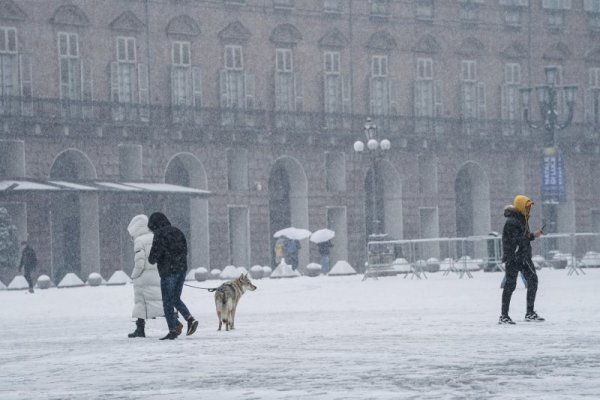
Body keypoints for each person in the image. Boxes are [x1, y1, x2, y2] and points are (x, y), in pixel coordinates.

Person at [148, 212, 198, 340]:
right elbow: (185, 250)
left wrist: (154, 258)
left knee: (167, 302)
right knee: (175, 298)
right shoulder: (177, 231)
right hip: (181, 270)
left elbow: (154, 257)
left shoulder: (159, 234)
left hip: (168, 272)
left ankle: (173, 329)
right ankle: (189, 319)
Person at [499, 195, 545, 324]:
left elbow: (520, 238)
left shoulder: (521, 219)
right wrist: (533, 235)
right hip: (517, 257)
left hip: (519, 256)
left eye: (530, 207)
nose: (529, 209)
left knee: (519, 283)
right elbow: (517, 239)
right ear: (520, 206)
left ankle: (515, 314)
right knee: (513, 284)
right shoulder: (513, 222)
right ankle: (507, 315)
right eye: (527, 207)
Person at [127, 214, 163, 338]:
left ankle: (140, 329)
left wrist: (134, 275)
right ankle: (174, 322)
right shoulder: (154, 237)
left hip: (143, 278)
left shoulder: (139, 241)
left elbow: (140, 262)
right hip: (156, 274)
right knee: (160, 301)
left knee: (141, 304)